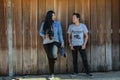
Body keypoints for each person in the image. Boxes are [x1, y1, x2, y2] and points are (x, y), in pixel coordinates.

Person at [39, 10, 64, 79]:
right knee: (50, 58)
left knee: (53, 55)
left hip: (55, 41)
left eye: (54, 15)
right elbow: (40, 32)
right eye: (53, 15)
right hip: (46, 43)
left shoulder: (57, 23)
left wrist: (62, 42)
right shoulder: (44, 23)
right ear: (50, 16)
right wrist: (45, 35)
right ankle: (52, 74)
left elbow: (60, 34)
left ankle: (55, 58)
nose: (55, 16)